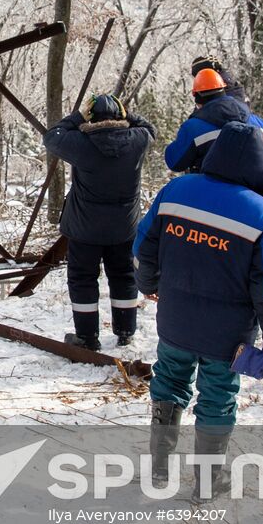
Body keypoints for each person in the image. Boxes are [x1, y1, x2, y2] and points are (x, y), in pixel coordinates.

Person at [135, 122, 263, 495]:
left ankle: (159, 468)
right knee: (218, 397)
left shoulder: (177, 191)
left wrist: (149, 285)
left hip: (174, 318)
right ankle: (207, 481)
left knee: (169, 382)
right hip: (229, 333)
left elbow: (143, 248)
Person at [42, 92, 156, 349]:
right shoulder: (137, 141)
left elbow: (51, 136)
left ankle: (87, 336)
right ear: (121, 115)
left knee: (82, 279)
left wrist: (78, 117)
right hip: (124, 228)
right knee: (124, 276)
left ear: (91, 118)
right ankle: (126, 330)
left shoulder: (80, 143)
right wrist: (129, 114)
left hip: (85, 229)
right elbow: (149, 128)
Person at [164, 69, 263, 176]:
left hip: (211, 193)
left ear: (197, 99)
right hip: (256, 193)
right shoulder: (259, 123)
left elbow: (174, 162)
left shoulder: (193, 128)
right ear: (223, 90)